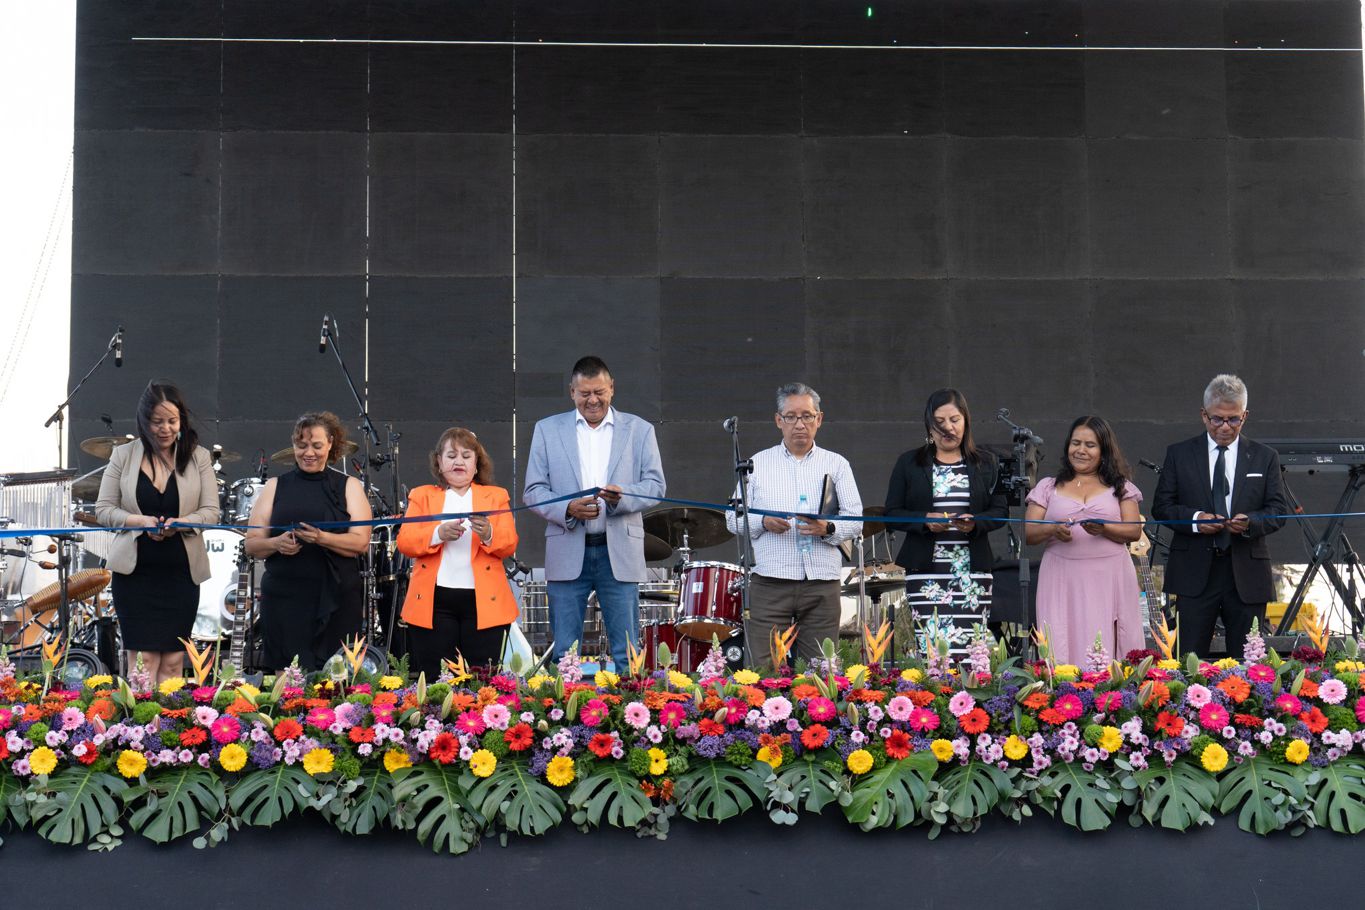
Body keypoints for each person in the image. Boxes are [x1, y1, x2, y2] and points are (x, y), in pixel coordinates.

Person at [524, 356, 666, 669]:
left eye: (599, 392)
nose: (592, 400)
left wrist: (621, 497)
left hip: (619, 551)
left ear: (612, 388)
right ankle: (565, 701)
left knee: (627, 654)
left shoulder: (639, 429)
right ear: (571, 392)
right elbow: (533, 491)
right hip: (567, 546)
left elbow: (656, 485)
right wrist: (566, 507)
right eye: (585, 393)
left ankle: (630, 701)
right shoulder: (547, 430)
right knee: (565, 655)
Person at [727, 383, 863, 666]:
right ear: (779, 420)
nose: (799, 424)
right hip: (770, 580)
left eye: (807, 416)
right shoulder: (756, 463)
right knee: (762, 670)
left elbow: (856, 519)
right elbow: (732, 518)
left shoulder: (837, 464)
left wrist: (828, 529)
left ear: (819, 419)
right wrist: (763, 521)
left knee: (821, 671)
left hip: (821, 581)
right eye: (791, 416)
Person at [1152, 374, 1287, 658]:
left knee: (1249, 662)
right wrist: (1196, 520)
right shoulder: (1179, 454)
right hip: (1194, 572)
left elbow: (1278, 511)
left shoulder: (1265, 456)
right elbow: (1162, 506)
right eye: (1217, 419)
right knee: (1189, 660)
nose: (1225, 427)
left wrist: (1249, 523)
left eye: (1233, 419)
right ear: (1204, 415)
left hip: (1246, 573)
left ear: (1245, 416)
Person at [96, 381, 220, 685]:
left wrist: (180, 523)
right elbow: (104, 510)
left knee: (174, 661)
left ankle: (168, 715)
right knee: (143, 662)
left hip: (181, 572)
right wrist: (140, 521)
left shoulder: (199, 457)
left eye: (172, 421)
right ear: (144, 421)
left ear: (181, 421)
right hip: (135, 573)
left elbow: (211, 512)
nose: (165, 429)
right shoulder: (123, 455)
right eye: (157, 422)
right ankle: (138, 716)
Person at [244, 412, 372, 671]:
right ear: (293, 446)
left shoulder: (349, 486)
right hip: (285, 598)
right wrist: (276, 543)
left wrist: (321, 538)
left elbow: (361, 542)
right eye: (301, 446)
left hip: (337, 597)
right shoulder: (275, 486)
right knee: (288, 678)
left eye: (316, 445)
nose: (308, 453)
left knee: (337, 679)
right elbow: (252, 544)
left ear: (331, 444)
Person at [884, 388, 1007, 652]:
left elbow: (1000, 511)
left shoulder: (986, 462)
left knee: (971, 650)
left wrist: (975, 522)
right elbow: (891, 513)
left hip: (972, 572)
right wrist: (924, 520)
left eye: (954, 420)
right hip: (926, 573)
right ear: (929, 425)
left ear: (966, 421)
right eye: (939, 421)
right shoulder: (909, 462)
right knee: (932, 651)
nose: (948, 428)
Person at [396, 427, 519, 679]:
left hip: (485, 602)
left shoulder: (496, 496)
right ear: (439, 462)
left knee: (483, 680)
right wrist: (437, 534)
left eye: (466, 455)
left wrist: (489, 533)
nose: (458, 462)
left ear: (477, 463)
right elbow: (405, 543)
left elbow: (509, 544)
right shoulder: (421, 496)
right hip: (434, 602)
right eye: (451, 456)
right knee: (437, 679)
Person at [1024, 416, 1144, 664]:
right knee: (1058, 637)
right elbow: (1030, 533)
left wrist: (1104, 529)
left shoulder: (1121, 487)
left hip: (1110, 575)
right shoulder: (1048, 487)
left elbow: (1134, 531)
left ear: (1104, 451)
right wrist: (1052, 529)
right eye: (1075, 443)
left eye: (1090, 445)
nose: (1080, 450)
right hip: (1061, 575)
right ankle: (1063, 685)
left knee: (1110, 639)